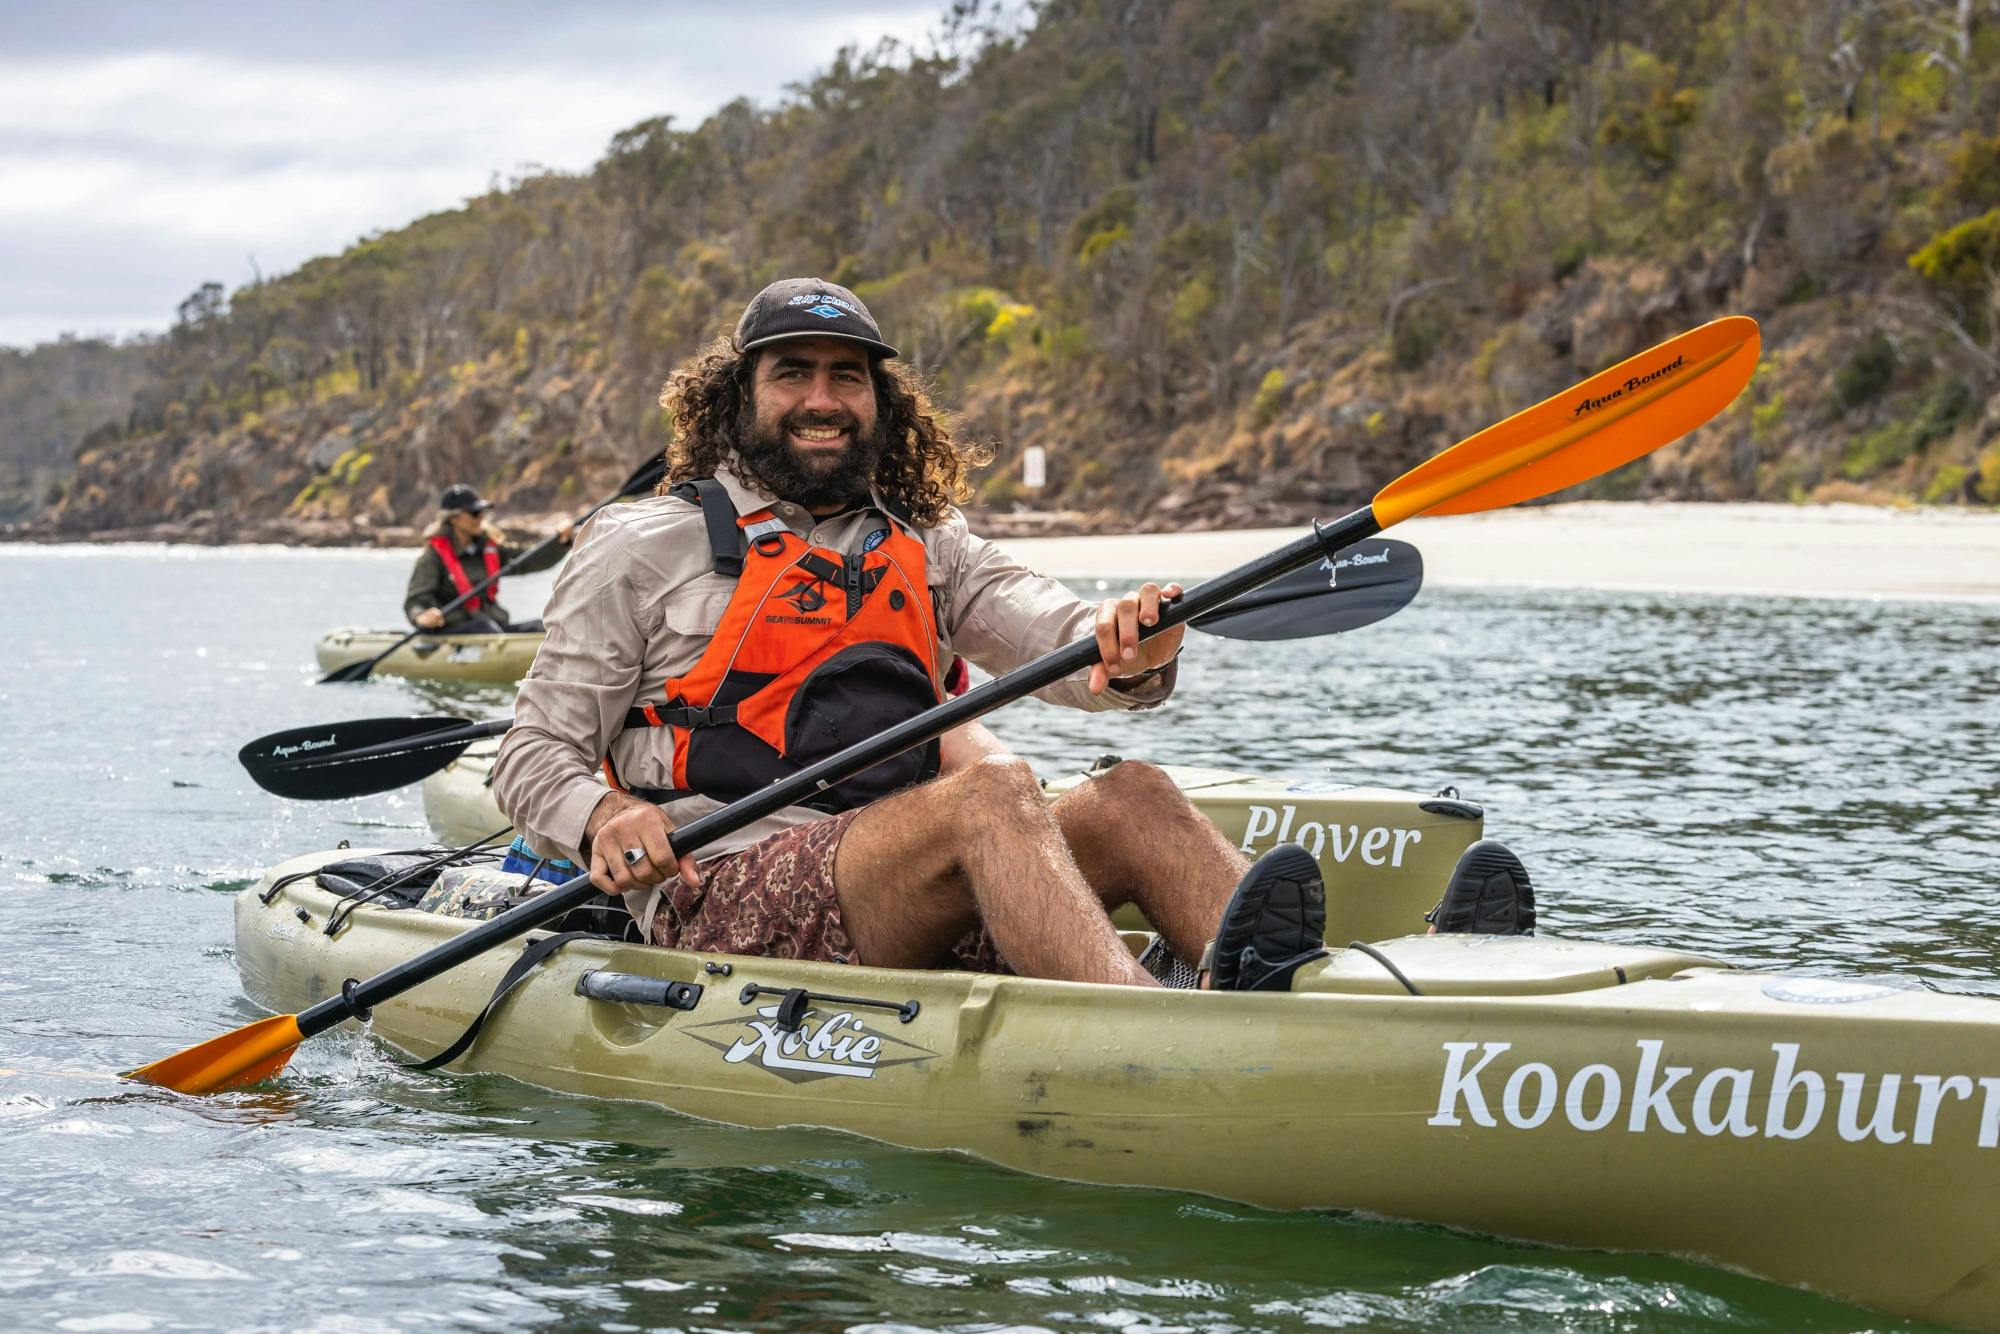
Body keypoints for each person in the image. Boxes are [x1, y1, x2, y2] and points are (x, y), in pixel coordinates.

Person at [492, 278, 1531, 991]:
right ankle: (1144, 1024)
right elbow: (528, 753)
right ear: (740, 398)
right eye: (792, 373)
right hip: (718, 885)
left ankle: (1323, 992)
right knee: (994, 789)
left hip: (903, 872)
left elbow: (1060, 637)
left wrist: (1132, 643)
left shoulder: (926, 544)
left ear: (878, 399)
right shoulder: (641, 544)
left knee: (1130, 793)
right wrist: (600, 813)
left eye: (845, 375)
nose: (821, 398)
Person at [405, 484, 572, 634]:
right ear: (454, 518)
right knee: (483, 626)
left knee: (541, 627)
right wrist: (421, 616)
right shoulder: (432, 558)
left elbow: (530, 559)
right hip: (454, 630)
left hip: (492, 629)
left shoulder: (490, 550)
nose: (481, 518)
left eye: (482, 512)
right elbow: (415, 602)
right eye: (474, 513)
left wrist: (560, 542)